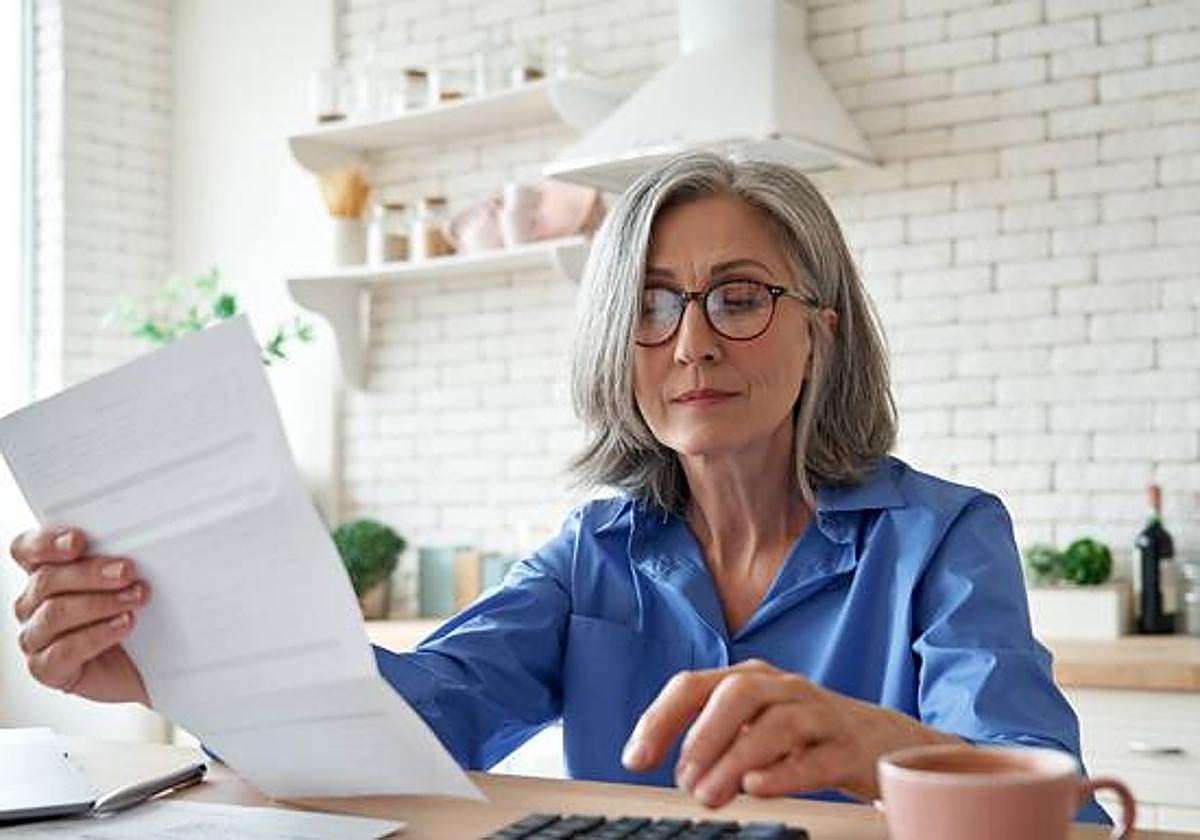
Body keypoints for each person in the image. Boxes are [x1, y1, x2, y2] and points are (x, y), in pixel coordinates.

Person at [9, 152, 1108, 823]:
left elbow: (1065, 814)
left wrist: (875, 748)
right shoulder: (594, 553)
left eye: (737, 297)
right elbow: (413, 721)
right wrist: (174, 661)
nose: (690, 344)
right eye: (651, 303)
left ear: (819, 332)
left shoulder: (943, 539)